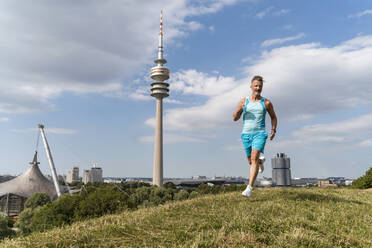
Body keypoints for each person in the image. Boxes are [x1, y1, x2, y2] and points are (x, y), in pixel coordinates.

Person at [233, 75, 277, 198]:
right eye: (256, 86)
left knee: (253, 158)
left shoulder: (266, 103)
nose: (258, 88)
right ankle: (260, 162)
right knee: (251, 161)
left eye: (260, 86)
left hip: (260, 133)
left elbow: (273, 117)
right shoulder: (243, 101)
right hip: (245, 134)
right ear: (251, 86)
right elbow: (235, 118)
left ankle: (249, 188)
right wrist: (239, 110)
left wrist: (273, 129)